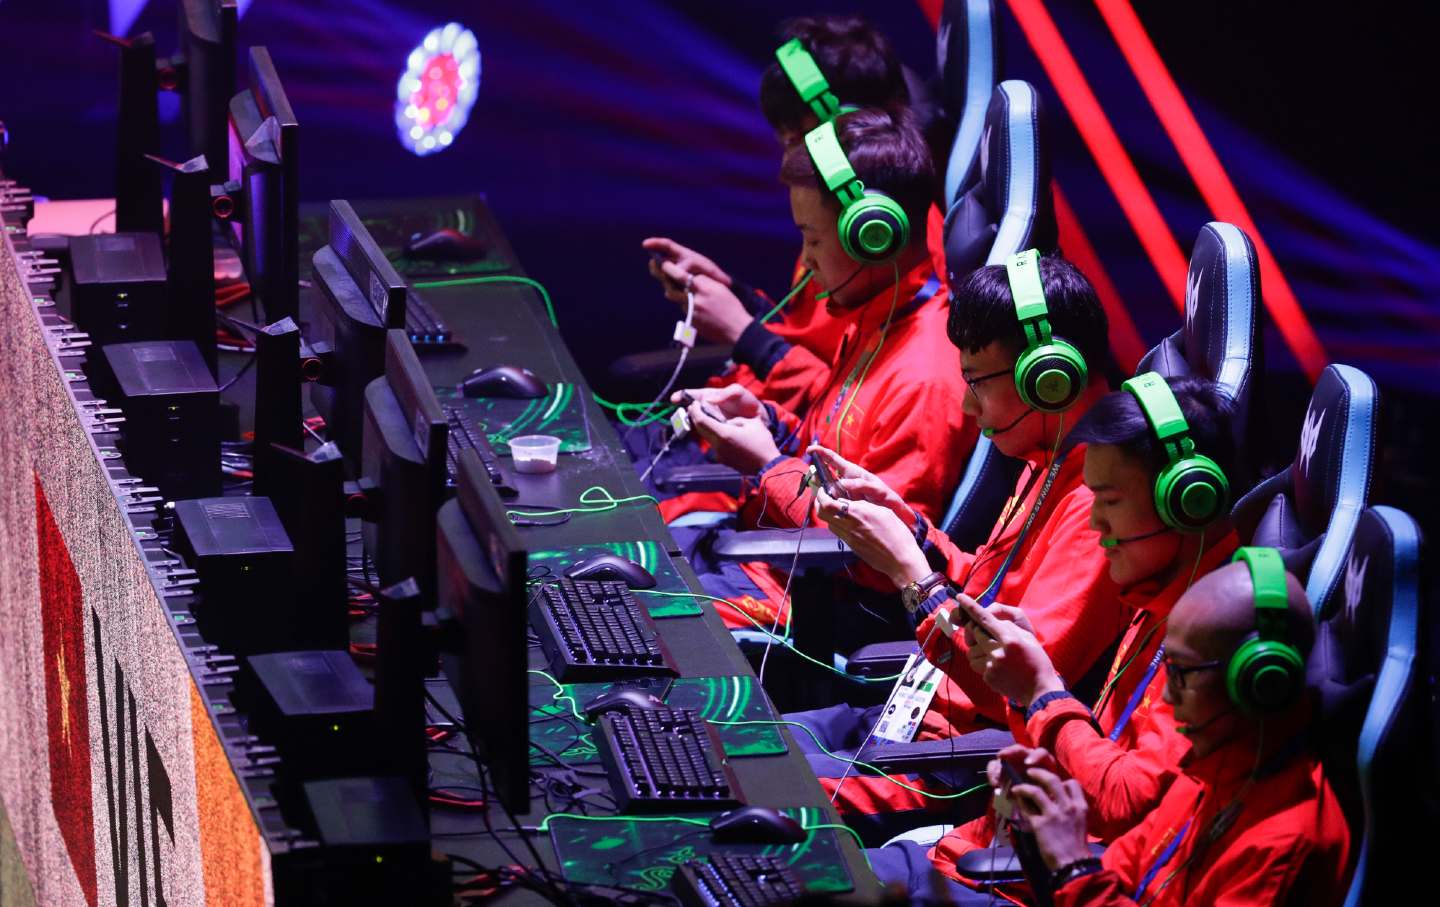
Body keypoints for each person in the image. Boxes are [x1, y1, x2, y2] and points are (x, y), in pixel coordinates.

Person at [863, 375, 1245, 888]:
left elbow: (1127, 805)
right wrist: (1032, 719)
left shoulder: (1213, 632)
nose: (1096, 524)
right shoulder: (1155, 589)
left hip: (1034, 874)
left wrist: (1040, 695)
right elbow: (1089, 754)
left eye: (1109, 502)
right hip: (996, 840)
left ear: (1186, 501)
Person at [783, 255, 1125, 827]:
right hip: (909, 720)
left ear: (1048, 377)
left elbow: (1013, 687)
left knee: (743, 790)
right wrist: (913, 527)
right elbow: (987, 586)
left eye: (977, 385)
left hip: (945, 767)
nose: (968, 407)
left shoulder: (1098, 505)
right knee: (730, 746)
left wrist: (911, 574)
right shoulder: (1048, 449)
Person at [666, 106, 974, 634]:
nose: (805, 262)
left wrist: (766, 466)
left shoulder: (925, 376)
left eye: (813, 238)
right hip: (765, 555)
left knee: (639, 614)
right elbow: (823, 453)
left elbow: (875, 555)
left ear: (870, 236)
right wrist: (768, 422)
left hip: (804, 601)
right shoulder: (875, 321)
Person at [1003, 554, 1350, 906]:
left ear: (1259, 682)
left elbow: (1093, 880)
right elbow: (1120, 872)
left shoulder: (1284, 847)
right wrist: (1043, 825)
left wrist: (1073, 867)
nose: (1168, 694)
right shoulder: (1208, 772)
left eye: (1183, 673)